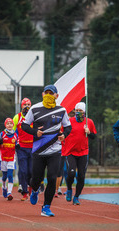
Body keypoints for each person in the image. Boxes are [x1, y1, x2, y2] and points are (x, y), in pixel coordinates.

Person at [22, 85, 72, 217]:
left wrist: (64, 135)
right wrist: (34, 132)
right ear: (43, 94)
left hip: (55, 150)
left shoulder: (61, 110)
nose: (49, 95)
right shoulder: (34, 108)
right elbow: (24, 125)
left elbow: (68, 127)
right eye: (47, 93)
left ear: (57, 95)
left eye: (52, 93)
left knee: (51, 178)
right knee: (36, 179)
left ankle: (46, 207)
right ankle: (34, 190)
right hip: (38, 150)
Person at [63, 102, 97, 205]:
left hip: (83, 151)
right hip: (71, 151)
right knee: (71, 173)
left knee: (81, 175)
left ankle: (76, 197)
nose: (78, 113)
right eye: (77, 111)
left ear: (84, 112)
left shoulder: (89, 122)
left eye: (80, 111)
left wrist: (88, 132)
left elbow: (94, 137)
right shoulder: (69, 121)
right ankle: (69, 189)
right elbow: (63, 132)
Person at [13, 98, 33, 201]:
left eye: (29, 104)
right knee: (23, 170)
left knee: (31, 171)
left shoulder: (34, 116)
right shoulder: (17, 117)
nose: (27, 106)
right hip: (21, 148)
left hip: (32, 148)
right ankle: (24, 192)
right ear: (21, 106)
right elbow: (12, 131)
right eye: (25, 104)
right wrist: (15, 142)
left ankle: (31, 188)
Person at [0, 118, 20, 200]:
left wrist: (18, 146)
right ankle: (4, 187)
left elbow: (18, 145)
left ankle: (9, 192)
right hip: (3, 158)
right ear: (5, 125)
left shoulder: (16, 135)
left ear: (13, 125)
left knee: (10, 175)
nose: (9, 125)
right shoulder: (2, 134)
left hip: (12, 158)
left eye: (11, 123)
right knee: (4, 176)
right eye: (8, 123)